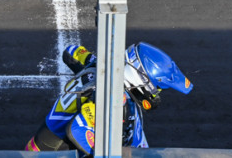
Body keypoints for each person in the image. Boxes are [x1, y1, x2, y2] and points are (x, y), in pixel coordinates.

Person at [26, 43, 193, 155]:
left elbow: (71, 51)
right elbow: (77, 131)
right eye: (156, 88)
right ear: (138, 78)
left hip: (47, 134)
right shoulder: (112, 100)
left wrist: (91, 61)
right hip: (54, 150)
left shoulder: (101, 68)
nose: (156, 94)